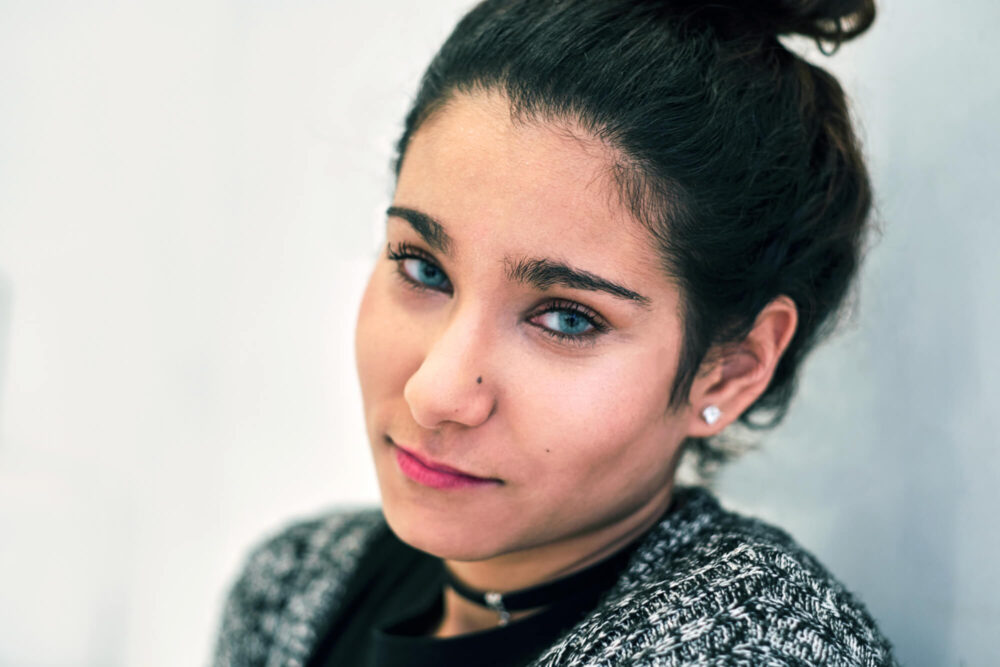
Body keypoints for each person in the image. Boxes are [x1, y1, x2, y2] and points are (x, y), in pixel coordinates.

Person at [212, 0, 898, 664]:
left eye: (567, 318)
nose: (437, 391)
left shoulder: (751, 646)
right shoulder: (291, 586)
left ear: (729, 367)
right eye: (422, 267)